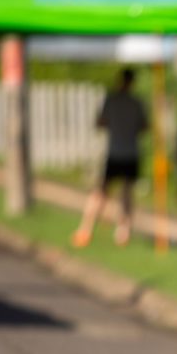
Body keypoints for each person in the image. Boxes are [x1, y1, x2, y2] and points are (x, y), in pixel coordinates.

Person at [71, 68, 148, 248]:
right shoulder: (136, 102)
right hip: (130, 151)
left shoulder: (112, 100)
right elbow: (144, 126)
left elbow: (100, 122)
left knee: (103, 191)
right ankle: (123, 231)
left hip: (115, 151)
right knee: (125, 192)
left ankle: (86, 228)